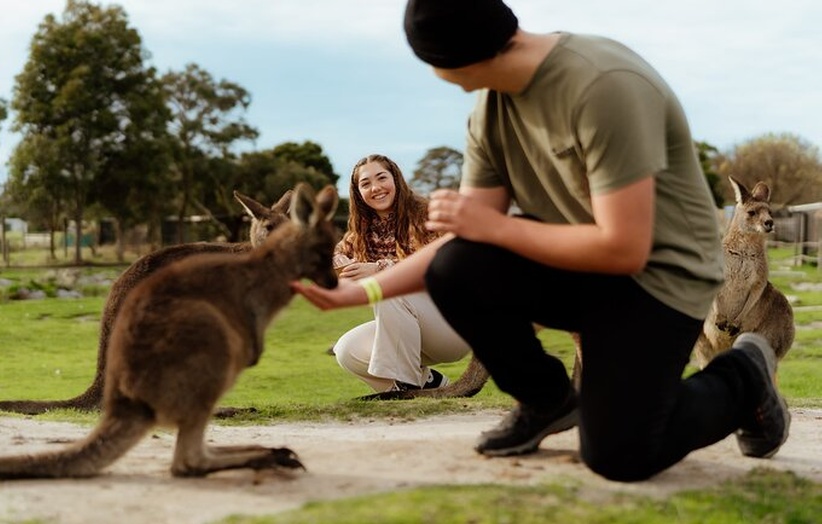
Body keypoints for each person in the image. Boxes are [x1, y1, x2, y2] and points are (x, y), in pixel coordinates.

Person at [293, 0, 790, 482]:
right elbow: (470, 239)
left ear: (456, 57)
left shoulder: (604, 87)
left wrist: (495, 228)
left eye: (431, 63)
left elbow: (625, 247)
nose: (433, 75)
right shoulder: (489, 112)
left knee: (621, 451)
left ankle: (743, 374)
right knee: (457, 266)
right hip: (579, 269)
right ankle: (547, 399)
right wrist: (363, 292)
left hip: (660, 278)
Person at [331, 153, 472, 392]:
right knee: (347, 350)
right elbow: (333, 257)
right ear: (358, 193)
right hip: (409, 331)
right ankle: (428, 385)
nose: (375, 188)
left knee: (387, 287)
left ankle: (407, 386)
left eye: (381, 178)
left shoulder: (427, 215)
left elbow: (441, 266)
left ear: (395, 179)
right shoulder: (361, 233)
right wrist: (339, 264)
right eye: (365, 184)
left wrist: (378, 268)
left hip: (453, 323)